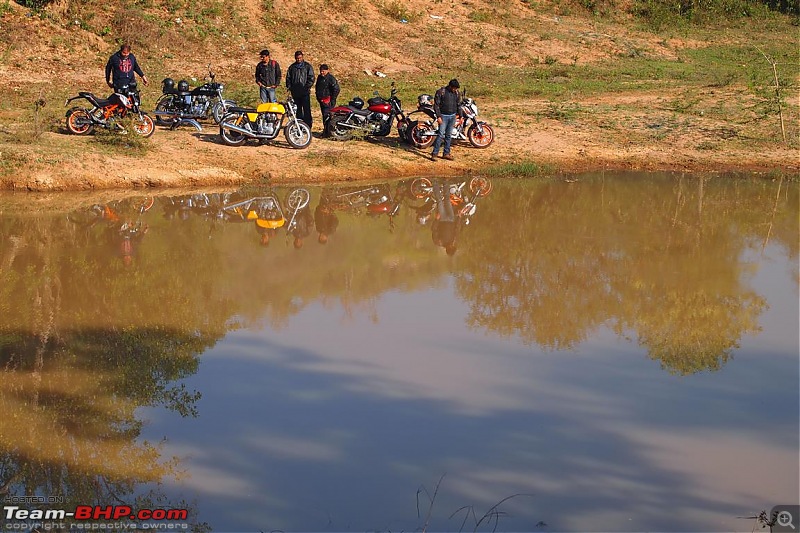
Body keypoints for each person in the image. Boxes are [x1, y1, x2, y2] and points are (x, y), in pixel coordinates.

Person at [430, 79, 461, 161]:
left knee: (448, 135)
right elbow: (436, 105)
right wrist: (438, 116)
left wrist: (460, 116)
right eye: (454, 88)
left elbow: (458, 104)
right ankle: (434, 154)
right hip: (443, 116)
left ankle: (446, 153)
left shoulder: (457, 93)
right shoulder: (441, 92)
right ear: (450, 86)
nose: (455, 90)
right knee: (440, 135)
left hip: (452, 116)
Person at [285, 50, 315, 129]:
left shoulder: (307, 66)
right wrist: (290, 87)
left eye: (300, 58)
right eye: (297, 58)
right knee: (298, 110)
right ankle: (300, 126)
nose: (298, 59)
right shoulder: (292, 67)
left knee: (306, 110)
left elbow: (311, 78)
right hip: (295, 92)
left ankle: (308, 126)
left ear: (302, 57)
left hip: (305, 92)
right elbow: (288, 78)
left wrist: (306, 87)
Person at [431, 179, 458, 255]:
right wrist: (459, 217)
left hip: (442, 219)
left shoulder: (439, 242)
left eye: (452, 247)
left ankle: (434, 182)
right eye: (453, 246)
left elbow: (433, 229)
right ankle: (445, 182)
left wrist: (436, 219)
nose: (452, 245)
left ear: (448, 249)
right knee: (447, 199)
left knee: (439, 201)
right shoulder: (453, 240)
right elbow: (456, 229)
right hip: (451, 218)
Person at [314, 64, 340, 131]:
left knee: (328, 116)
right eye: (321, 71)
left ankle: (328, 131)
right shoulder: (320, 77)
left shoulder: (331, 78)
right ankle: (325, 130)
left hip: (328, 101)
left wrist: (332, 99)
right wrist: (318, 97)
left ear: (327, 70)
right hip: (322, 101)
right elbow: (317, 87)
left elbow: (336, 89)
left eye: (323, 71)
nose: (322, 72)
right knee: (324, 116)